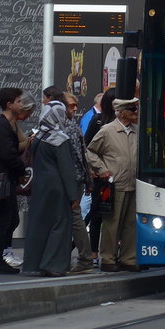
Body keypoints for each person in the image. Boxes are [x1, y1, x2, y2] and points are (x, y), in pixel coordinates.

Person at [21, 88, 78, 277]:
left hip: (40, 186)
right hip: (58, 187)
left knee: (39, 224)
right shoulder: (60, 139)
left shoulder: (37, 138)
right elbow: (67, 170)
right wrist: (73, 195)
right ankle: (53, 264)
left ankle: (32, 264)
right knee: (60, 224)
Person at [0, 87, 34, 274]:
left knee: (10, 218)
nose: (22, 104)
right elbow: (7, 154)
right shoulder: (1, 126)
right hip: (2, 179)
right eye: (19, 101)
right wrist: (21, 170)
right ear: (9, 104)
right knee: (6, 219)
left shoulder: (9, 124)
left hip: (7, 179)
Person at [86, 97, 141, 273]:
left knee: (131, 223)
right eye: (132, 109)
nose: (135, 112)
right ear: (121, 112)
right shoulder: (107, 131)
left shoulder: (137, 131)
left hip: (133, 183)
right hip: (114, 183)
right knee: (112, 223)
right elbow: (90, 151)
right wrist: (102, 169)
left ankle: (128, 257)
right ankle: (108, 258)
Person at [62, 92, 96, 274]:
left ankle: (84, 257)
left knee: (75, 218)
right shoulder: (71, 125)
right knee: (73, 218)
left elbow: (78, 155)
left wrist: (86, 179)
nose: (75, 108)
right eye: (71, 105)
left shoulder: (69, 126)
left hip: (72, 180)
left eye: (75, 105)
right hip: (74, 179)